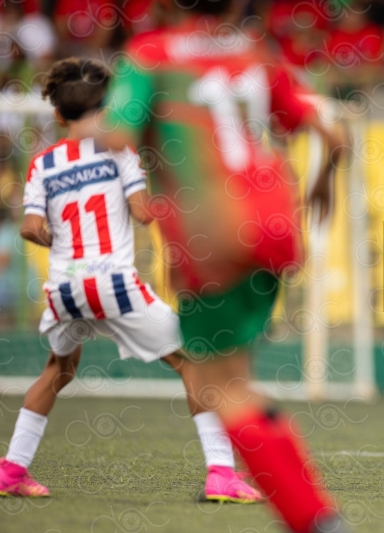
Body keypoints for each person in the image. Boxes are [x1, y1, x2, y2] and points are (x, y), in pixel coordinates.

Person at [75, 2, 350, 532]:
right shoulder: (253, 49)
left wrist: (88, 127)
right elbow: (334, 136)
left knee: (220, 388)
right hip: (275, 219)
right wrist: (320, 184)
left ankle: (314, 518)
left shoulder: (150, 56)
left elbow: (117, 137)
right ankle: (308, 515)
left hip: (214, 230)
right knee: (228, 378)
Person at [0, 58, 263, 504]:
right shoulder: (119, 152)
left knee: (57, 370)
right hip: (114, 283)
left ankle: (9, 473)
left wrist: (61, 242)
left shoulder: (42, 163)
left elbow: (29, 227)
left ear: (59, 115)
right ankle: (221, 474)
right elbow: (143, 211)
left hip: (64, 288)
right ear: (106, 111)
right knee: (196, 362)